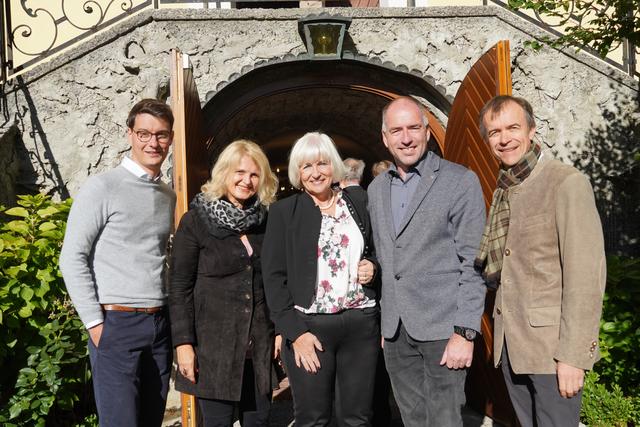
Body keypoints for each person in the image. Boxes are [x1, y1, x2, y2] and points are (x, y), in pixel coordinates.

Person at [475, 95, 606, 427]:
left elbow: (586, 277)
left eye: (513, 128)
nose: (504, 139)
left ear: (532, 130)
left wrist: (574, 356)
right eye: (494, 132)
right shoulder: (505, 188)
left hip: (552, 354)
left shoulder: (565, 183)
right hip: (512, 350)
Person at [367, 96, 486, 427]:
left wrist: (465, 331)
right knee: (412, 419)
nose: (406, 138)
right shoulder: (377, 189)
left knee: (444, 420)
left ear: (427, 132)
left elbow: (473, 262)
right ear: (385, 138)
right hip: (396, 332)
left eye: (413, 128)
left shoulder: (459, 181)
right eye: (397, 130)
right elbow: (388, 256)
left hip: (443, 330)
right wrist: (386, 321)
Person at [60, 99, 176, 427]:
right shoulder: (103, 187)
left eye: (162, 135)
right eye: (144, 133)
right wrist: (96, 326)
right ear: (130, 134)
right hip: (116, 325)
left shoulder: (167, 195)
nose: (153, 143)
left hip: (158, 327)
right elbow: (71, 258)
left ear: (170, 139)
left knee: (151, 420)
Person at [262, 132, 380, 427]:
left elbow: (377, 249)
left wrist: (373, 267)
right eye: (306, 166)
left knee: (357, 418)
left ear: (334, 166)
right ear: (298, 174)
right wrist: (295, 334)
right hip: (310, 329)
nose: (316, 173)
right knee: (313, 418)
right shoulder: (283, 212)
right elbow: (273, 279)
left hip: (360, 323)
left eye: (322, 163)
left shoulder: (357, 201)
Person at [169, 140, 279, 427]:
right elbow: (179, 288)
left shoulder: (267, 222)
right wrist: (183, 344)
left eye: (255, 175)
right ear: (224, 173)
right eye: (239, 172)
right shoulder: (196, 221)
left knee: (260, 421)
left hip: (258, 349)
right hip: (213, 350)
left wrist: (280, 332)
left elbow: (277, 281)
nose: (247, 181)